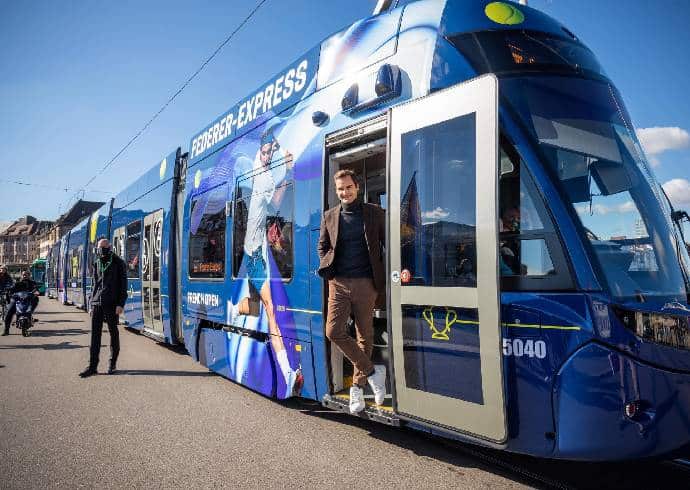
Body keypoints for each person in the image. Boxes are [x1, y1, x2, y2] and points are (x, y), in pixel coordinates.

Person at [227, 128, 302, 397]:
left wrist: (288, 171)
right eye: (265, 151)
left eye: (271, 151)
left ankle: (235, 308)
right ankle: (287, 372)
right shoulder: (253, 171)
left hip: (257, 248)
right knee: (270, 308)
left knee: (262, 306)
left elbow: (275, 203)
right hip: (253, 249)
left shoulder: (268, 175)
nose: (268, 155)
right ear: (259, 150)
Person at [318, 169, 387, 414]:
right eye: (340, 189)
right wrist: (329, 267)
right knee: (333, 331)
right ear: (336, 192)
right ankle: (372, 372)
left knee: (364, 335)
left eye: (348, 187)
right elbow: (323, 246)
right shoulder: (329, 216)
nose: (344, 192)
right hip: (338, 283)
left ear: (356, 187)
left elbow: (385, 244)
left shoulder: (374, 213)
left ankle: (356, 389)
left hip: (366, 284)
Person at [79, 238, 128, 378]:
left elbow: (123, 285)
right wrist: (90, 303)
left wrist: (120, 304)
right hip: (97, 303)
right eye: (99, 248)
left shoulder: (118, 263)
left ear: (109, 247)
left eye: (104, 248)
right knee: (95, 335)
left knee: (113, 333)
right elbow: (94, 285)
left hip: (112, 304)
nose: (101, 250)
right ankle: (92, 366)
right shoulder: (96, 263)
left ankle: (112, 363)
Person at [3, 270, 39, 335]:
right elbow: (12, 287)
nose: (25, 276)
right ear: (21, 275)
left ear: (29, 275)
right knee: (9, 311)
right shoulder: (17, 283)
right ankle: (6, 330)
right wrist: (8, 289)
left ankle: (29, 317)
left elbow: (36, 289)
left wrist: (36, 292)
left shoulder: (32, 283)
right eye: (23, 274)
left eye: (26, 274)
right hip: (17, 299)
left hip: (28, 299)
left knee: (35, 301)